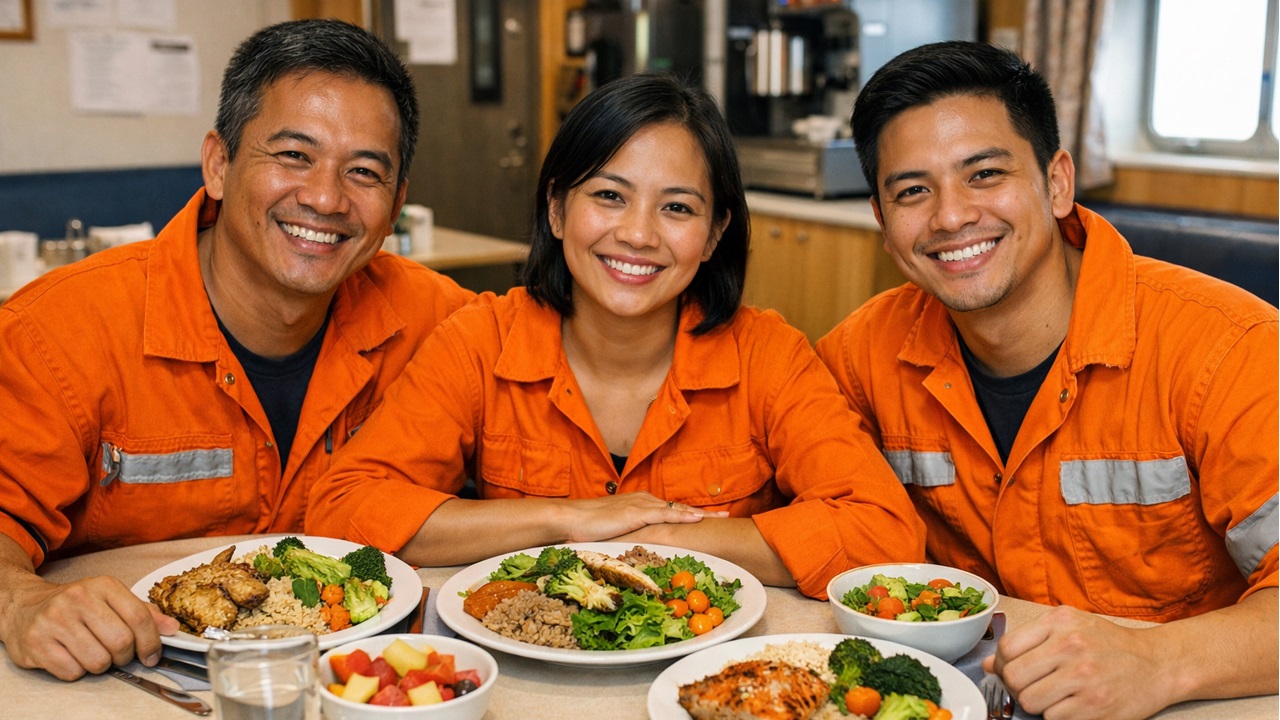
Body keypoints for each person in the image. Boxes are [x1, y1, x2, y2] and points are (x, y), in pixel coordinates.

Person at [306, 72, 924, 595]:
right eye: (609, 195)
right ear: (556, 209)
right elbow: (346, 510)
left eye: (677, 207)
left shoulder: (767, 354)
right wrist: (569, 520)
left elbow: (882, 529)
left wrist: (652, 540)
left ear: (714, 233)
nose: (637, 234)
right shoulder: (480, 340)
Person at [815, 41, 1277, 719]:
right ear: (884, 226)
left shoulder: (1228, 348)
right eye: (913, 191)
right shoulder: (860, 356)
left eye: (984, 174)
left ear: (1057, 182)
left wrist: (1157, 662)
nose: (950, 216)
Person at [0, 19, 474, 680]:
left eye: (363, 171)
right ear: (218, 164)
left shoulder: (445, 326)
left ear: (395, 204)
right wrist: (20, 601)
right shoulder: (60, 330)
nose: (325, 198)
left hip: (367, 681)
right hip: (130, 684)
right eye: (293, 155)